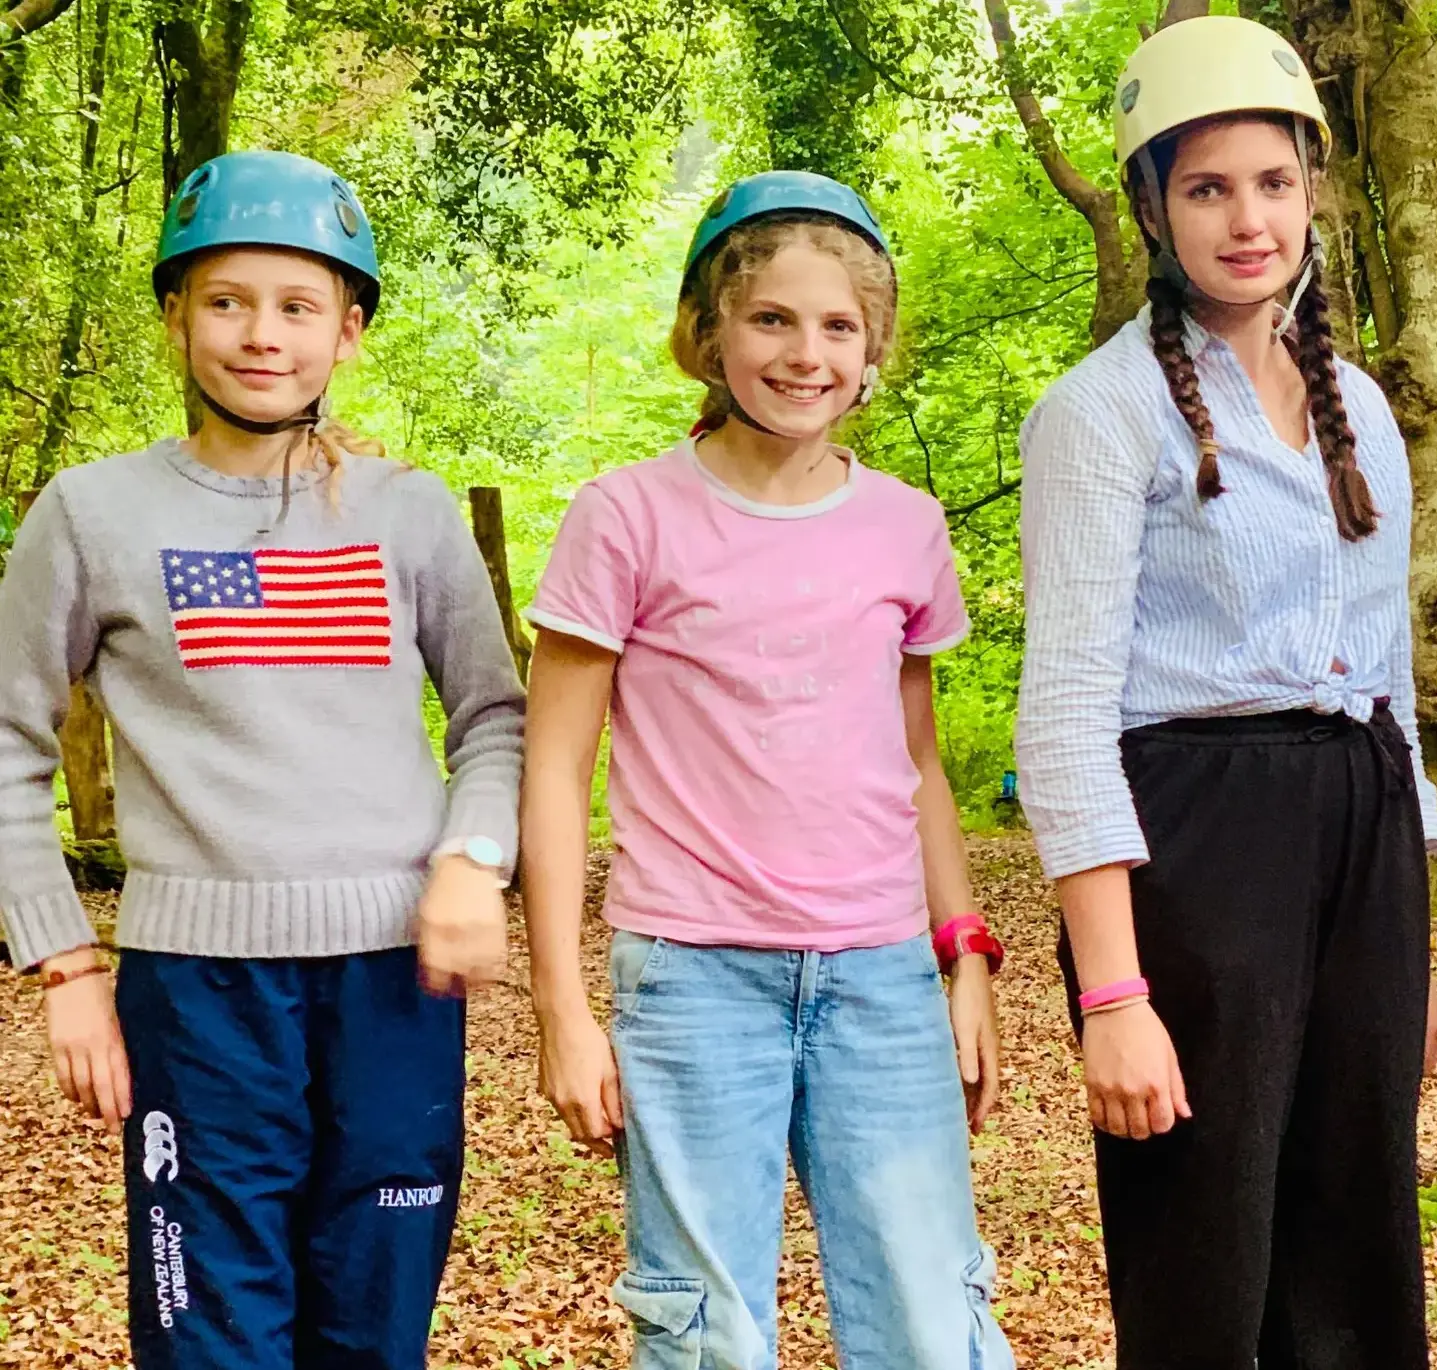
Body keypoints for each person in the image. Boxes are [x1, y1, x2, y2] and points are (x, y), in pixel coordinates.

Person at [0, 148, 525, 1369]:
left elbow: (494, 714)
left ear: (348, 329)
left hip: (396, 981)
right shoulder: (90, 512)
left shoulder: (409, 509)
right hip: (198, 992)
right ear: (177, 312)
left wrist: (470, 855)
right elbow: (10, 739)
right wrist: (63, 960)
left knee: (374, 1313)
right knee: (211, 1325)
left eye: (297, 307)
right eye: (227, 299)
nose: (260, 335)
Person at [518, 171, 1011, 1370]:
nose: (806, 353)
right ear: (710, 332)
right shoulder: (625, 515)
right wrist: (563, 1009)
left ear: (873, 344)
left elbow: (919, 764)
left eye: (838, 324)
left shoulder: (905, 525)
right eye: (771, 319)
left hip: (882, 974)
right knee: (705, 1329)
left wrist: (965, 958)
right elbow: (551, 763)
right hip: (690, 980)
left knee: (931, 1320)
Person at [1011, 15, 1437, 1367]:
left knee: (1354, 1234)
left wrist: (1413, 912)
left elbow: (1390, 678)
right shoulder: (1101, 412)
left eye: (1271, 181)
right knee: (1205, 1244)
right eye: (1206, 188)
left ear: (1313, 185)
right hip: (1201, 839)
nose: (1247, 219)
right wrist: (1112, 990)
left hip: (1360, 825)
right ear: (1152, 207)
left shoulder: (1360, 409)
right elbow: (1067, 710)